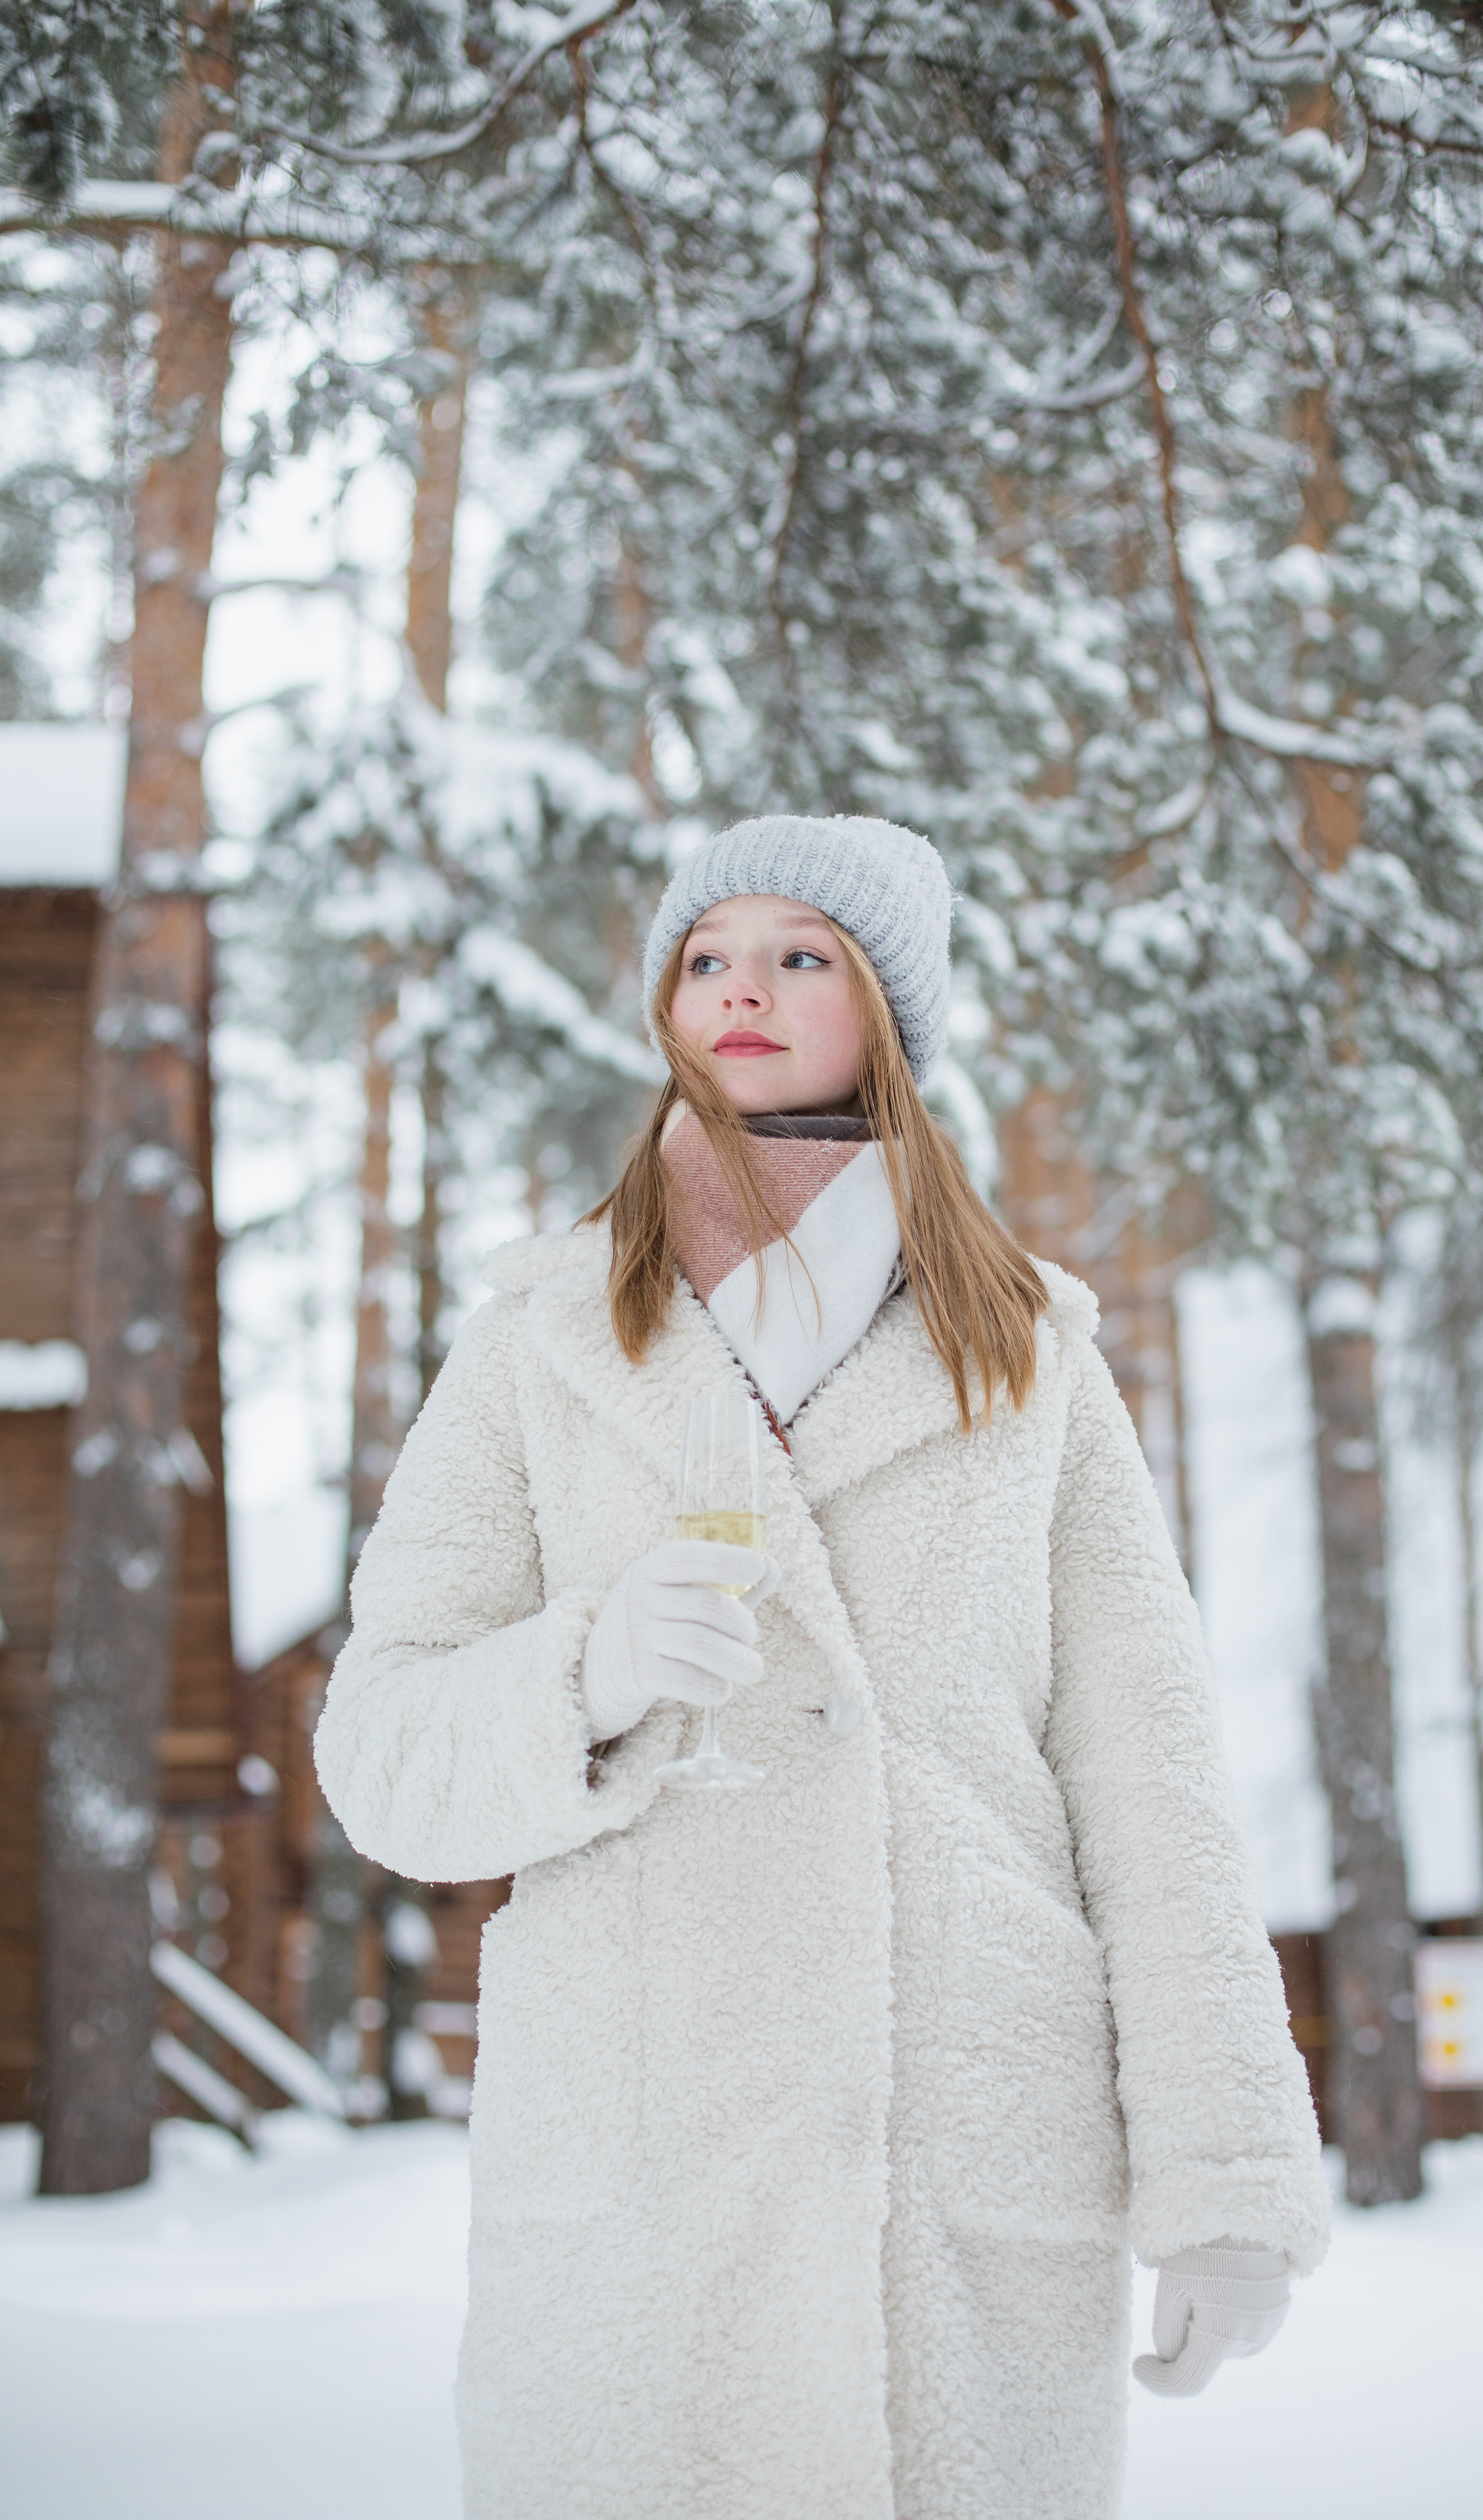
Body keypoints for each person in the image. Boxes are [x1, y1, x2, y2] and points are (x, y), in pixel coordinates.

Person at [315, 814, 1329, 2520]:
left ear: (888, 1005)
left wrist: (1225, 2180)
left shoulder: (1030, 1356)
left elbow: (1154, 1790)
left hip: (962, 2177)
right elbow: (382, 1755)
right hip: (644, 2198)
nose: (745, 991)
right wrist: (579, 1676)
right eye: (708, 957)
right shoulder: (536, 1347)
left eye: (802, 956)